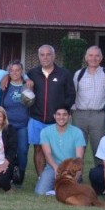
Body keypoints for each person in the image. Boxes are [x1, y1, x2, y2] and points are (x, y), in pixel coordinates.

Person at [27, 45, 75, 178]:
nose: (45, 57)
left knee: (59, 150)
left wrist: (62, 113)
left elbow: (71, 95)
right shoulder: (32, 73)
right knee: (39, 150)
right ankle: (41, 178)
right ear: (39, 57)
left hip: (56, 121)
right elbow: (18, 76)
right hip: (37, 119)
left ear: (54, 56)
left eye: (48, 54)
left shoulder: (64, 74)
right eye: (42, 55)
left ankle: (61, 177)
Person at [72, 46, 105, 168]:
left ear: (101, 58)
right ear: (86, 57)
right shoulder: (79, 74)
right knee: (78, 148)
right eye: (91, 55)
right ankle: (76, 177)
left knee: (99, 148)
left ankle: (99, 178)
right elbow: (73, 92)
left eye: (97, 55)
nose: (94, 58)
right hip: (79, 115)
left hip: (98, 116)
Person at [36, 107, 86, 196]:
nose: (61, 117)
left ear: (69, 117)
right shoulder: (45, 132)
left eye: (64, 114)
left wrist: (76, 172)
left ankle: (66, 185)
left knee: (70, 193)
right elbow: (47, 154)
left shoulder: (77, 132)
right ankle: (56, 186)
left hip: (71, 168)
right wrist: (56, 169)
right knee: (40, 192)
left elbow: (79, 158)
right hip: (52, 167)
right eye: (58, 114)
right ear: (54, 116)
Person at [0, 60, 31, 186]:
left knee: (23, 151)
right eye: (12, 70)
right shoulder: (5, 86)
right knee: (8, 150)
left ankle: (20, 175)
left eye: (17, 70)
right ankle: (8, 174)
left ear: (22, 71)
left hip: (23, 125)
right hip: (8, 125)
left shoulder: (28, 85)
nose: (15, 73)